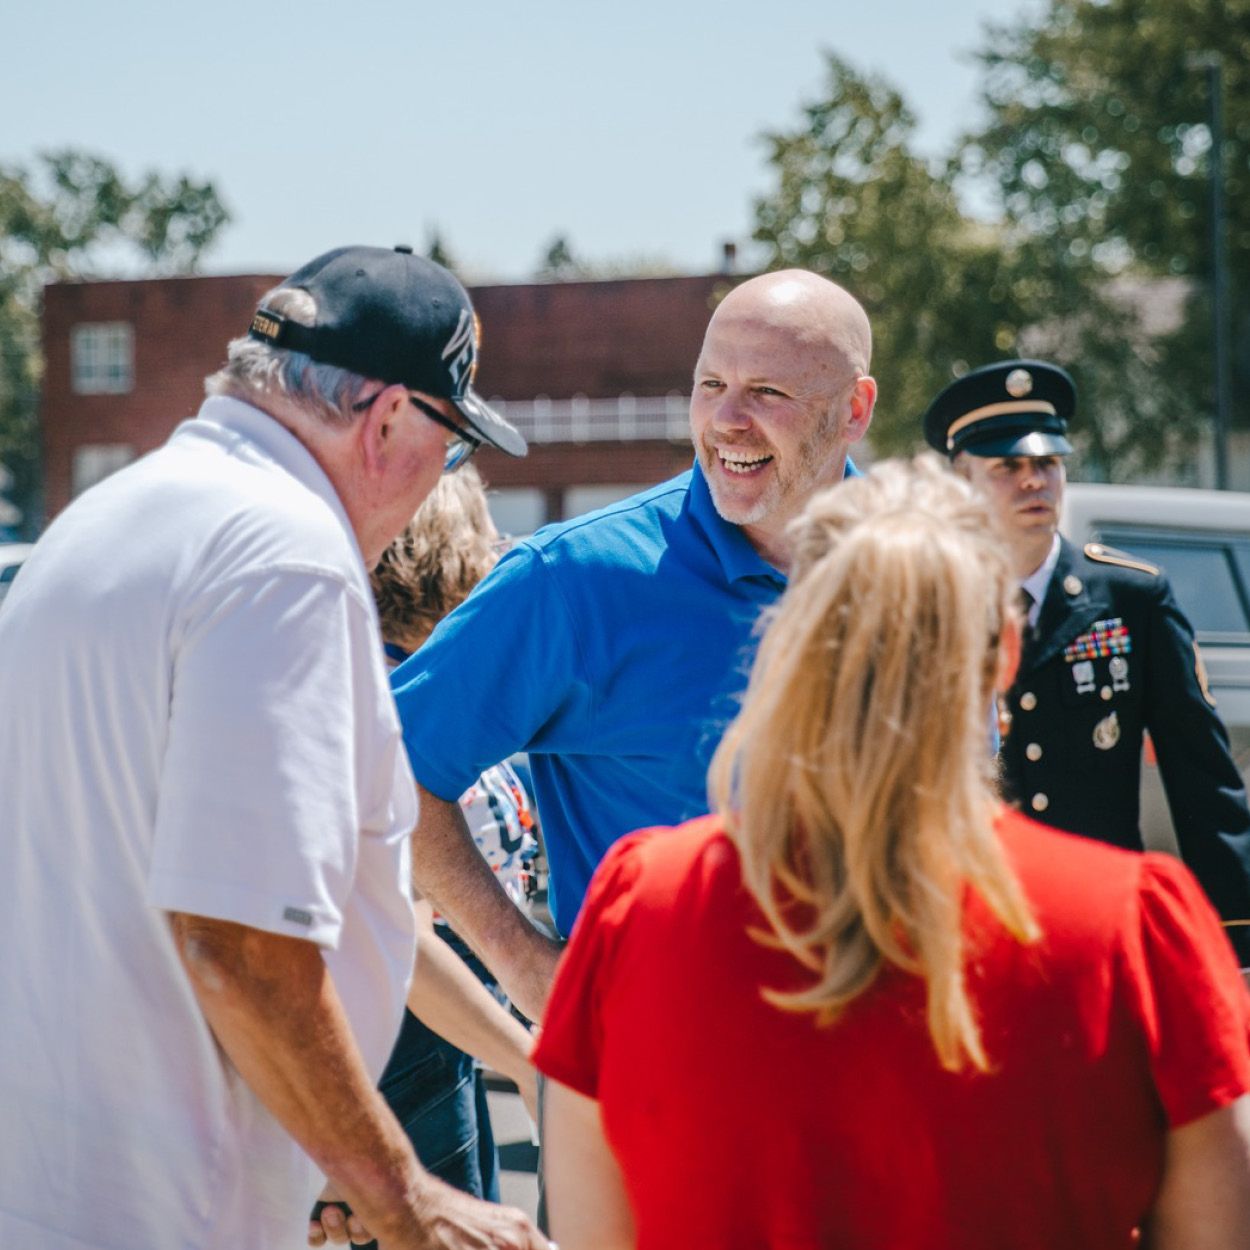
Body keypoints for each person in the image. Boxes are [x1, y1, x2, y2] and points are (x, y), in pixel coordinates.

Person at [532, 455, 1250, 1250]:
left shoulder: (638, 908)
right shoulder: (1135, 931)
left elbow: (592, 1231)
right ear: (1005, 655)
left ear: (792, 637)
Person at [0, 244, 548, 1250]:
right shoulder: (287, 557)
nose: (440, 479)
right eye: (448, 441)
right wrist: (401, 1193)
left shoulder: (107, 519)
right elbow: (244, 942)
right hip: (164, 1208)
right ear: (388, 418)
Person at [391, 268, 877, 1021]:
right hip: (652, 1079)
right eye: (710, 384)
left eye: (768, 394)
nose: (726, 420)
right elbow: (391, 767)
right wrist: (522, 966)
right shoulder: (577, 578)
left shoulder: (919, 573)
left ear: (854, 409)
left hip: (876, 1067)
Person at [923, 359, 1250, 962]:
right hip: (969, 923)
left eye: (1047, 463)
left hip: (1098, 923)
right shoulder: (928, 604)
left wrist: (1236, 932)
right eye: (1007, 467)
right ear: (961, 480)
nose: (1034, 482)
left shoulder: (1131, 599)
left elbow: (1201, 774)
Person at [369, 467, 539, 1199]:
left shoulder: (442, 679)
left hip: (459, 1042)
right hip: (408, 1046)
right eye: (481, 527)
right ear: (435, 546)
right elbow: (397, 935)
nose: (497, 546)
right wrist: (529, 1061)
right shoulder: (375, 695)